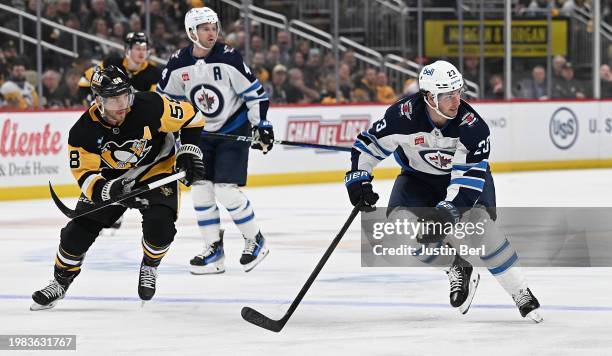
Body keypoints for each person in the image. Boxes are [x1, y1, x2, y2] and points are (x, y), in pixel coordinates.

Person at [344, 60, 543, 322]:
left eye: (458, 92)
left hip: (463, 183)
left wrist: (446, 213)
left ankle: (520, 291)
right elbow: (368, 146)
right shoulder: (401, 116)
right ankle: (457, 266)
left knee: (480, 228)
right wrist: (359, 179)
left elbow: (467, 182)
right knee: (402, 230)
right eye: (448, 95)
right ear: (429, 97)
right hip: (418, 180)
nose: (456, 100)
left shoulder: (473, 127)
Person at [30, 66, 205, 310]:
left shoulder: (152, 106)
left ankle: (150, 265)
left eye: (125, 96)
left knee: (161, 229)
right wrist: (109, 191)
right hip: (111, 180)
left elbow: (194, 117)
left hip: (157, 171)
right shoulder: (83, 131)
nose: (121, 105)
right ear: (98, 100)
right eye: (113, 99)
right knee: (76, 233)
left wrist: (188, 149)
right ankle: (60, 282)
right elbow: (86, 175)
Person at [156, 7, 272, 274]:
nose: (212, 32)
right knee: (200, 188)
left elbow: (256, 94)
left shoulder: (228, 57)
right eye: (205, 28)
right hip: (199, 135)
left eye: (214, 27)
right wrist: (169, 133)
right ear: (191, 32)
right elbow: (164, 101)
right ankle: (213, 251)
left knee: (225, 189)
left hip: (233, 129)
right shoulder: (177, 64)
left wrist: (262, 126)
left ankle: (255, 239)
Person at [79, 32, 162, 106]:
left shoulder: (155, 73)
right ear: (127, 49)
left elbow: (153, 102)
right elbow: (86, 79)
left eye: (144, 49)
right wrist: (88, 97)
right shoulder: (110, 63)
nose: (141, 52)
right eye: (137, 48)